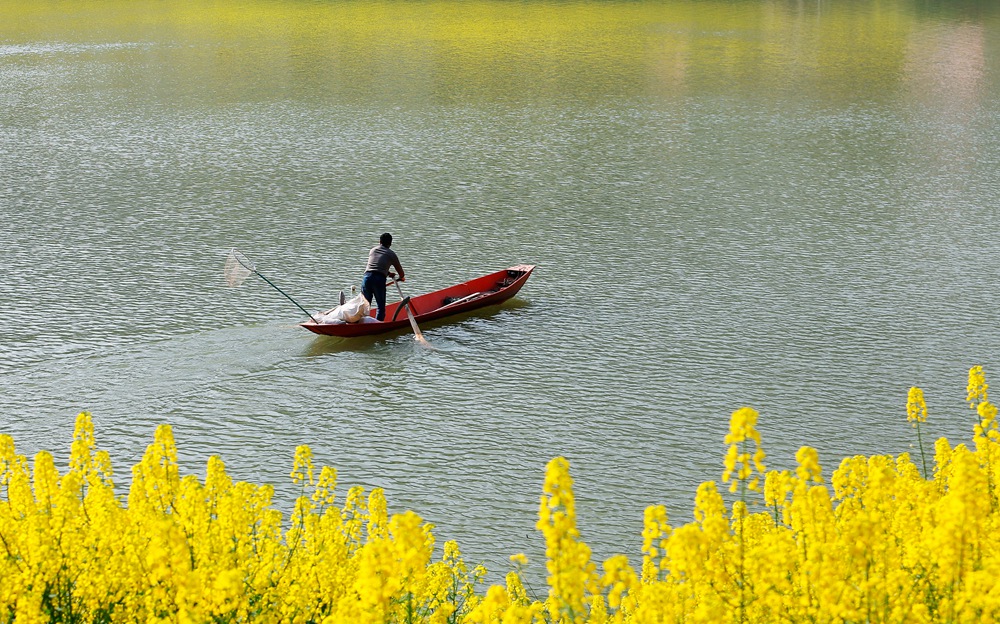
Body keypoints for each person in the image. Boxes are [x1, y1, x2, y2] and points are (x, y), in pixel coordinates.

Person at [360, 232, 405, 321]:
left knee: (365, 306)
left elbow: (375, 265)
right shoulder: (391, 254)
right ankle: (378, 324)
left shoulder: (373, 250)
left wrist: (388, 273)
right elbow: (401, 272)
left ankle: (362, 323)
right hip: (379, 280)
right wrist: (401, 277)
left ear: (379, 241)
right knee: (381, 307)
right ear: (390, 243)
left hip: (367, 278)